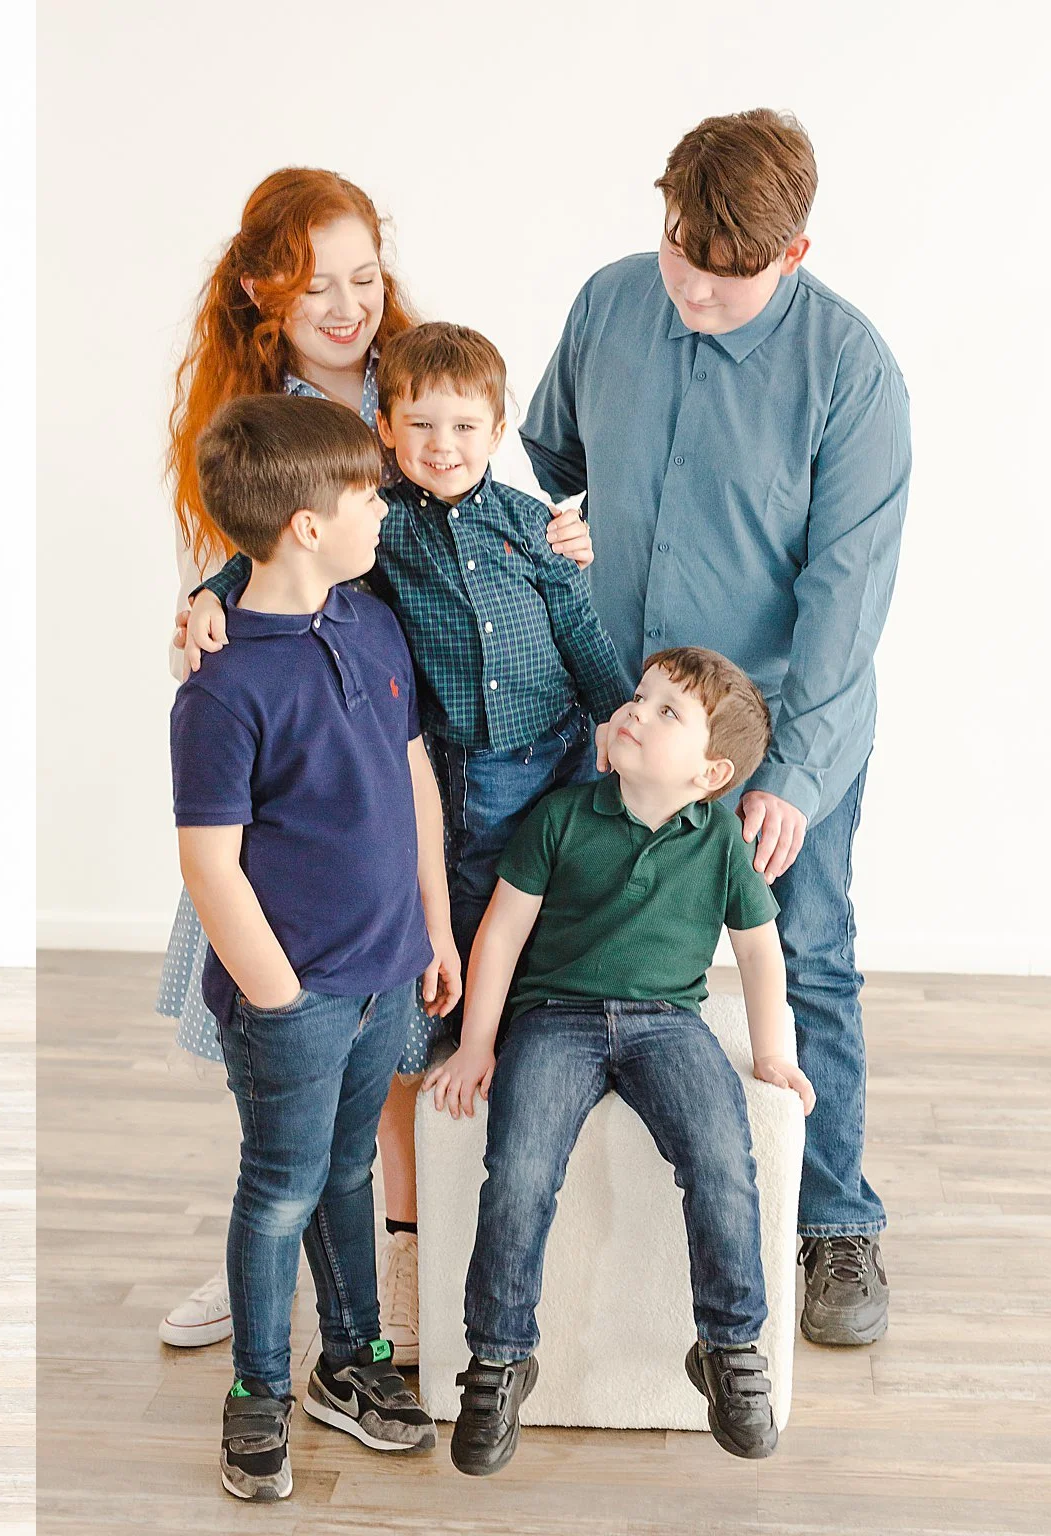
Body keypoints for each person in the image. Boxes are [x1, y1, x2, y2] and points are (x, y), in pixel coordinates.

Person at [156, 169, 594, 1364]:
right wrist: (205, 600)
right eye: (315, 285)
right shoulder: (261, 413)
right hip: (304, 749)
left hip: (421, 740)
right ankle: (280, 1236)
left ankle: (384, 1254)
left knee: (391, 1029)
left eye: (363, 277)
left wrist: (558, 531)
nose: (347, 305)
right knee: (280, 1029)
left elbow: (491, 491)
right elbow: (252, 547)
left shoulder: (419, 388)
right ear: (261, 292)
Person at [520, 109, 910, 1346]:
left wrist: (784, 775)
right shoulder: (609, 301)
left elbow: (842, 603)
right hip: (618, 715)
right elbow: (548, 458)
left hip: (772, 736)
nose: (689, 286)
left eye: (725, 277)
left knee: (804, 951)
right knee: (569, 940)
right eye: (679, 251)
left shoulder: (851, 374)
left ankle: (836, 1221)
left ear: (792, 255)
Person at [426, 647, 815, 1475]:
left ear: (710, 774)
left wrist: (774, 1053)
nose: (636, 712)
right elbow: (499, 936)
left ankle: (730, 1345)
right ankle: (498, 1358)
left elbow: (757, 952)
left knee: (721, 1157)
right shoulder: (562, 817)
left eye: (668, 712)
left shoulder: (719, 845)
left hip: (666, 1023)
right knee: (522, 1167)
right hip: (553, 1019)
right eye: (641, 697)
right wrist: (476, 1044)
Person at [173, 393, 458, 1502]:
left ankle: (350, 1360)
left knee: (346, 1170)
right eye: (362, 492)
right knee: (278, 1188)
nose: (381, 506)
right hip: (292, 998)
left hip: (389, 971)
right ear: (302, 523)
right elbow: (208, 863)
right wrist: (279, 995)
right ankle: (255, 1391)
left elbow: (412, 779)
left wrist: (431, 924)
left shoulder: (367, 620)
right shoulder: (223, 686)